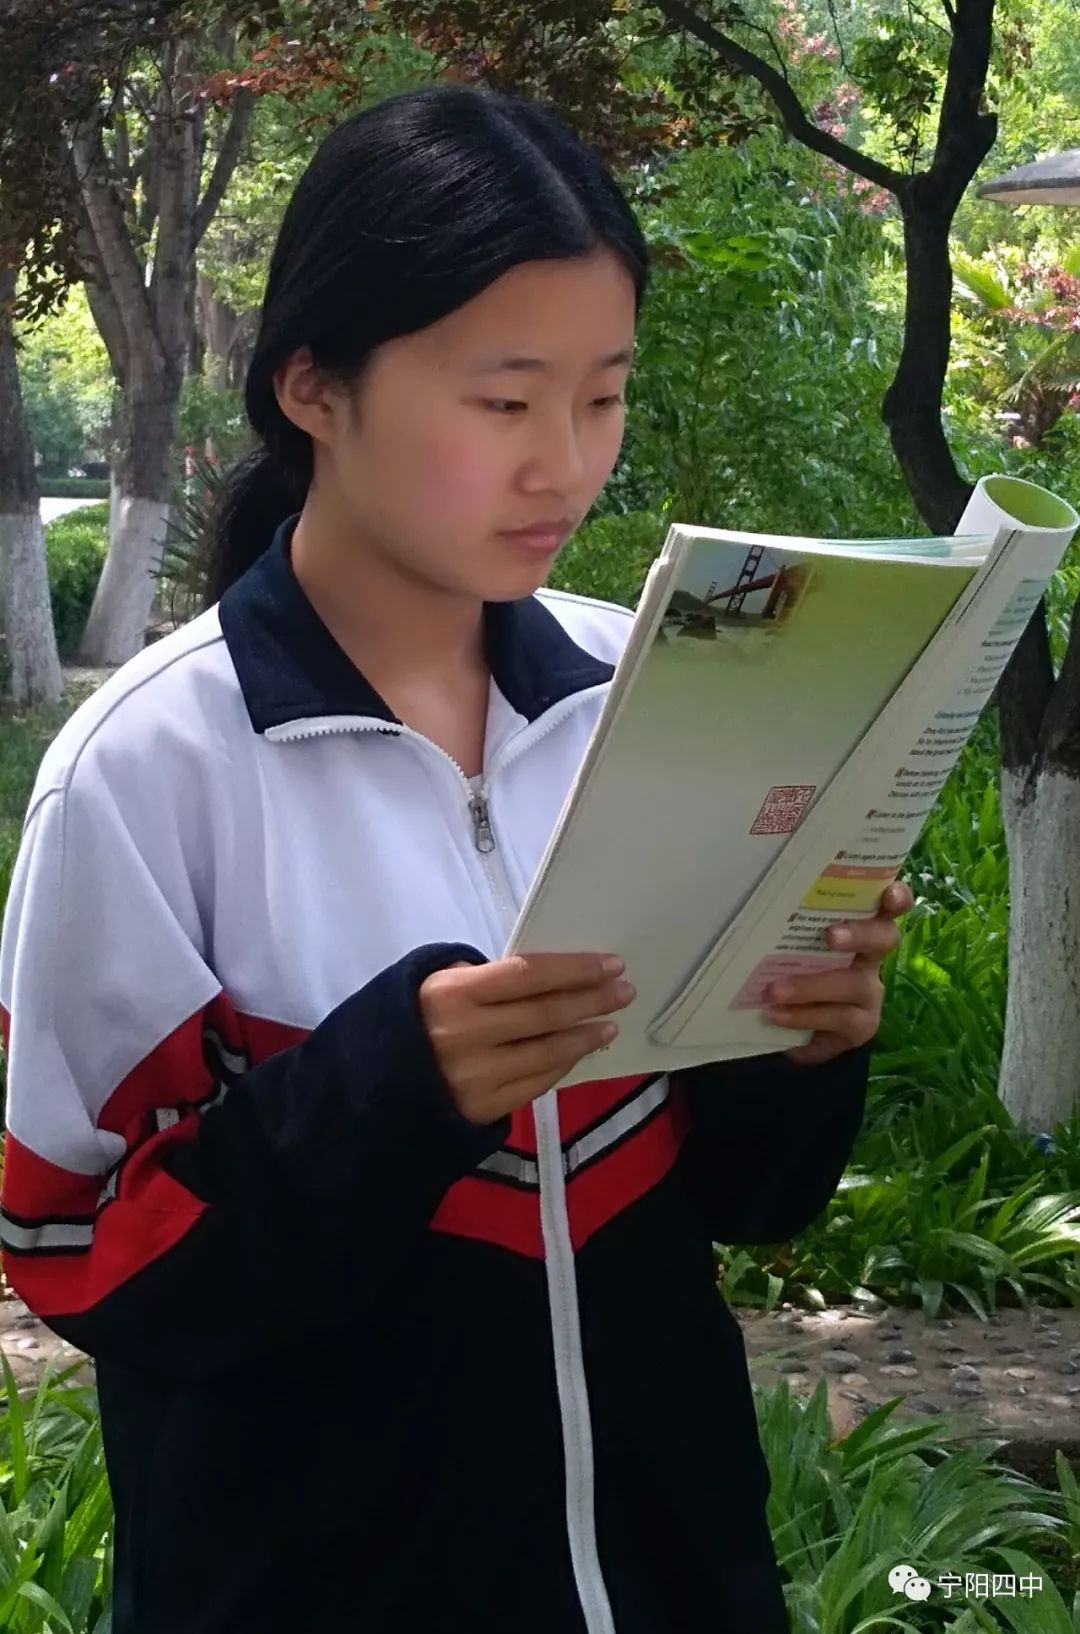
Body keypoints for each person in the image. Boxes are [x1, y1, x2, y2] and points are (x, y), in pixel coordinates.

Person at [0, 84, 910, 1634]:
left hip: (678, 1575)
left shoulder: (658, 699)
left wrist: (801, 1035)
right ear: (315, 386)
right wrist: (389, 1088)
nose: (566, 464)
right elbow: (80, 1252)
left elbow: (749, 1200)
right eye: (504, 402)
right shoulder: (150, 773)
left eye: (603, 396)